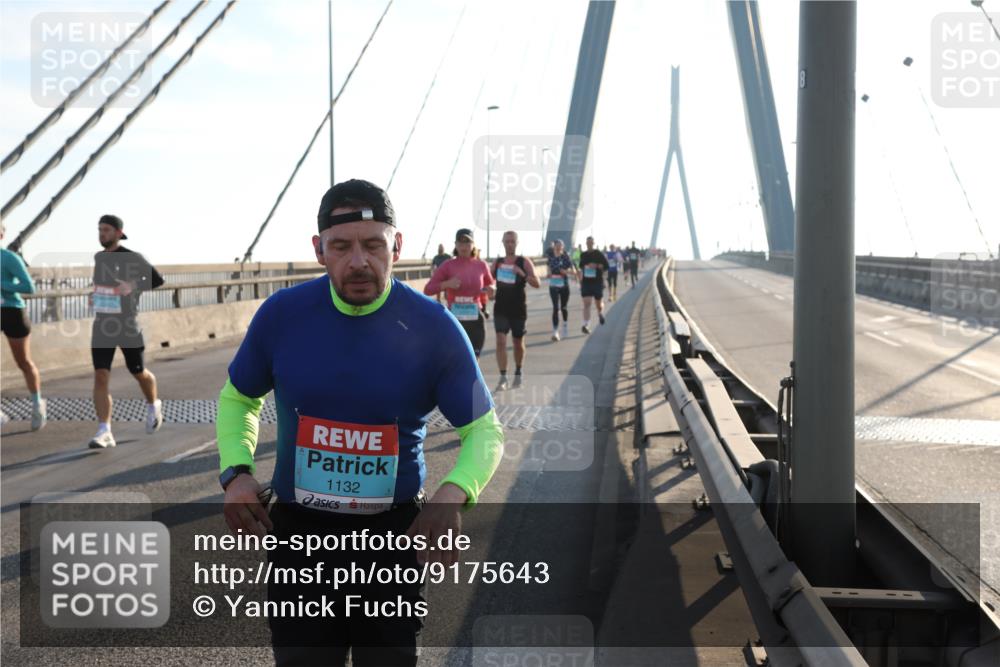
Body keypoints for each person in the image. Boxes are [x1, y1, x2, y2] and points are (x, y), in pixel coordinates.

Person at [216, 178, 504, 666]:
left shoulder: (435, 329)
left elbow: (484, 430)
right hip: (301, 540)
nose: (358, 262)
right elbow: (238, 398)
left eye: (373, 245)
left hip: (390, 542)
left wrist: (453, 493)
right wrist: (236, 473)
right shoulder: (283, 315)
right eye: (341, 247)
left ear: (396, 245)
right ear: (319, 250)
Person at [88, 215, 164, 448]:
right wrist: (95, 295)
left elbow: (157, 279)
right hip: (102, 324)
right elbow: (103, 284)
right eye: (100, 229)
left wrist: (132, 286)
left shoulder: (132, 257)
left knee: (138, 372)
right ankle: (105, 430)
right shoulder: (99, 257)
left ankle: (153, 404)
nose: (102, 233)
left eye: (107, 230)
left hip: (127, 324)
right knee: (101, 375)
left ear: (119, 233)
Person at [1, 224, 46, 430]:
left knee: (24, 362)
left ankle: (37, 405)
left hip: (11, 312)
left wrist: (4, 286)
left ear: (1, 234)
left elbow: (29, 286)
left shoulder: (9, 257)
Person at [423, 229, 495, 357]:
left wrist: (492, 290)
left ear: (473, 245)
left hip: (475, 319)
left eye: (467, 242)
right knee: (454, 358)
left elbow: (491, 286)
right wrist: (447, 284)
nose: (464, 246)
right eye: (460, 243)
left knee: (474, 359)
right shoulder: (448, 265)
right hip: (454, 319)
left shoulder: (481, 265)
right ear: (455, 244)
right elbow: (428, 289)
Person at [491, 231, 540, 391]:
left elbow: (537, 283)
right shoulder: (497, 262)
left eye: (512, 241)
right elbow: (487, 280)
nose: (509, 244)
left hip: (518, 308)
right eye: (507, 241)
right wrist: (488, 290)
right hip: (501, 308)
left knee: (518, 343)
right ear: (503, 242)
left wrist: (522, 274)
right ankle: (503, 376)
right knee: (500, 341)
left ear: (517, 243)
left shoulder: (523, 261)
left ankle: (518, 371)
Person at [546, 239, 578, 341]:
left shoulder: (566, 257)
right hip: (553, 285)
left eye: (561, 246)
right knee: (555, 308)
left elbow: (573, 271)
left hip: (564, 285)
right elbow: (548, 268)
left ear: (563, 247)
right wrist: (549, 273)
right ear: (554, 247)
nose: (559, 248)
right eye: (557, 246)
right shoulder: (550, 257)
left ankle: (564, 325)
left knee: (563, 307)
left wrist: (566, 271)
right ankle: (555, 332)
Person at [578, 236, 610, 334]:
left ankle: (600, 313)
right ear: (586, 244)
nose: (589, 244)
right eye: (588, 243)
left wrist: (596, 266)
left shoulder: (598, 254)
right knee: (587, 303)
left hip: (597, 282)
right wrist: (580, 279)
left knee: (598, 304)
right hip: (586, 282)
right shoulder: (583, 255)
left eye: (591, 243)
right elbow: (581, 267)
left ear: (593, 243)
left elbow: (606, 266)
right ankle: (586, 324)